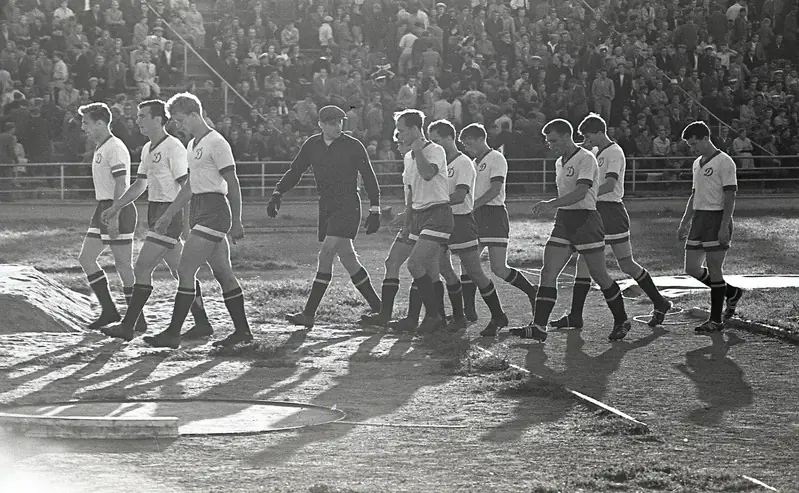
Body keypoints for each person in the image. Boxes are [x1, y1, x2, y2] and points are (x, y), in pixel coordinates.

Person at [143, 92, 252, 349]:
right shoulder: (193, 145)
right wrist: (169, 214)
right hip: (201, 208)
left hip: (215, 209)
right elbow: (190, 185)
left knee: (184, 269)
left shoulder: (216, 142)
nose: (177, 126)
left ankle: (172, 333)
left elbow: (233, 183)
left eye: (180, 120)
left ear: (194, 115)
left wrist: (237, 221)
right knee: (223, 273)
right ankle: (242, 332)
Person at [98, 99, 212, 342]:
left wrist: (180, 220)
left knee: (141, 268)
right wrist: (116, 207)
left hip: (168, 213)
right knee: (181, 271)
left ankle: (129, 326)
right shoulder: (148, 148)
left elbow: (187, 187)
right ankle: (202, 323)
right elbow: (140, 184)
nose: (137, 120)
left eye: (142, 116)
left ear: (158, 119)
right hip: (156, 210)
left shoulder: (174, 148)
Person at [511, 119, 631, 342]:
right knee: (547, 272)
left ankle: (622, 319)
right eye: (548, 141)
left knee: (600, 275)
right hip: (565, 220)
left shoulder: (586, 158)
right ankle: (539, 326)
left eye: (554, 140)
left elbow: (581, 193)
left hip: (586, 220)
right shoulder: (560, 162)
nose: (550, 145)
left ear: (567, 136)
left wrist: (551, 203)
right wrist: (556, 206)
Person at [551, 113, 672, 330]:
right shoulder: (595, 152)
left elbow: (609, 184)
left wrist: (585, 192)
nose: (587, 141)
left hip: (610, 210)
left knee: (625, 263)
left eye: (590, 136)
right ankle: (575, 316)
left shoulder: (614, 152)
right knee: (584, 263)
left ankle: (659, 301)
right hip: (597, 209)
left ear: (600, 132)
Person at [267, 105, 382, 329]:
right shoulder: (312, 144)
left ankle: (309, 313)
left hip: (348, 204)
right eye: (331, 123)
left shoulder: (352, 145)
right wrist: (277, 192)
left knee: (327, 252)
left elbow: (368, 176)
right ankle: (379, 308)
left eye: (340, 122)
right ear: (320, 124)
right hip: (327, 205)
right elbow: (296, 170)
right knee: (348, 259)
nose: (337, 126)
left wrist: (375, 208)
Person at [428, 119, 508, 334]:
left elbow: (460, 196)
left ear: (448, 138)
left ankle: (498, 315)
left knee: (474, 271)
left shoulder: (463, 162)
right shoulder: (441, 163)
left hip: (461, 222)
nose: (433, 145)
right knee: (442, 267)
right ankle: (458, 315)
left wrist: (432, 202)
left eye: (436, 140)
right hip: (443, 220)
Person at [458, 123, 538, 335]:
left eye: (467, 143)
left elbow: (495, 190)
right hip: (476, 216)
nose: (466, 148)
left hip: (493, 215)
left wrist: (471, 206)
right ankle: (470, 312)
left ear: (477, 139)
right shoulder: (473, 162)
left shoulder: (496, 158)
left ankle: (532, 292)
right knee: (467, 263)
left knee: (498, 268)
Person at [678, 121, 744, 333]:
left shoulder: (725, 162)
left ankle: (716, 320)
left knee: (715, 268)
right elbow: (694, 194)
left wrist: (724, 225)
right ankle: (731, 292)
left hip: (717, 218)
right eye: (690, 145)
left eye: (695, 143)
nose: (693, 148)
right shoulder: (697, 162)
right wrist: (685, 221)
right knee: (691, 268)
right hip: (699, 219)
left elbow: (730, 196)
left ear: (706, 138)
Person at [392, 108, 454, 332]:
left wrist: (418, 151)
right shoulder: (408, 156)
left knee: (414, 264)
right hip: (418, 215)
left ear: (416, 130)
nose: (399, 136)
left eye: (403, 131)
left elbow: (428, 174)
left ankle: (434, 316)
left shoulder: (435, 150)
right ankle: (438, 317)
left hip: (437, 213)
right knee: (428, 270)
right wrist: (407, 224)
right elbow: (410, 194)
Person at [77, 102, 137, 331]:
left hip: (117, 208)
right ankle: (109, 310)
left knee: (123, 264)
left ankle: (136, 317)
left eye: (86, 123)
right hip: (103, 207)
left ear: (100, 123)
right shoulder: (102, 147)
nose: (84, 127)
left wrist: (114, 214)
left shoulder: (115, 147)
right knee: (86, 258)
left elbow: (122, 183)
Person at [358, 133, 418, 328]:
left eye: (401, 142)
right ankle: (386, 314)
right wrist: (404, 215)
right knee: (392, 262)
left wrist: (410, 217)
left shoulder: (423, 159)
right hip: (413, 219)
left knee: (431, 270)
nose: (397, 147)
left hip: (425, 221)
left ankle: (431, 316)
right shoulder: (408, 160)